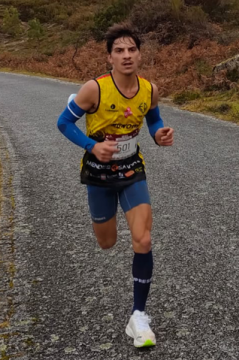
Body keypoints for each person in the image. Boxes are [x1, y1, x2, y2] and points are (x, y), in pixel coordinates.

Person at [57, 23, 174, 347]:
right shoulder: (93, 89)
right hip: (98, 174)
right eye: (119, 51)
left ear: (139, 54)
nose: (126, 56)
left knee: (144, 239)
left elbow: (154, 119)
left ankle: (138, 316)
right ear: (109, 57)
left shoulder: (149, 89)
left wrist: (159, 134)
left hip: (132, 170)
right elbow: (63, 123)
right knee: (107, 243)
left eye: (131, 50)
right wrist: (91, 146)